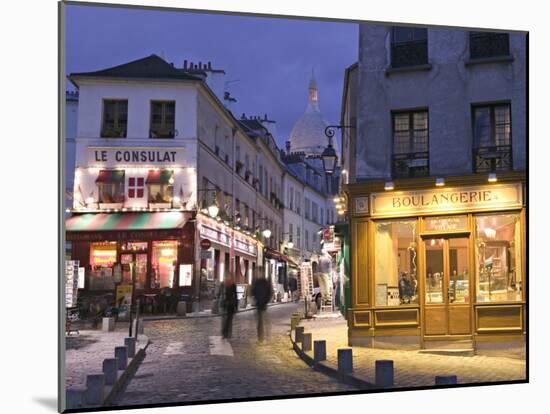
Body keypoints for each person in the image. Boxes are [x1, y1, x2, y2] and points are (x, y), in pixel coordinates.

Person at [252, 276, 271, 342]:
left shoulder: (265, 282)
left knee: (263, 321)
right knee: (260, 321)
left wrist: (266, 301)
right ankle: (261, 337)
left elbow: (269, 293)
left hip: (263, 304)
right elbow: (253, 291)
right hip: (259, 304)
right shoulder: (257, 282)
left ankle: (264, 336)